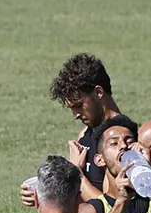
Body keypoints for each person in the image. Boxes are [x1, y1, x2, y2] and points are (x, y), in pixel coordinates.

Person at [45, 53, 125, 195]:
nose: (75, 115)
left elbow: (111, 208)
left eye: (79, 105)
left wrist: (77, 174)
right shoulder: (85, 134)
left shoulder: (119, 141)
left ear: (98, 92)